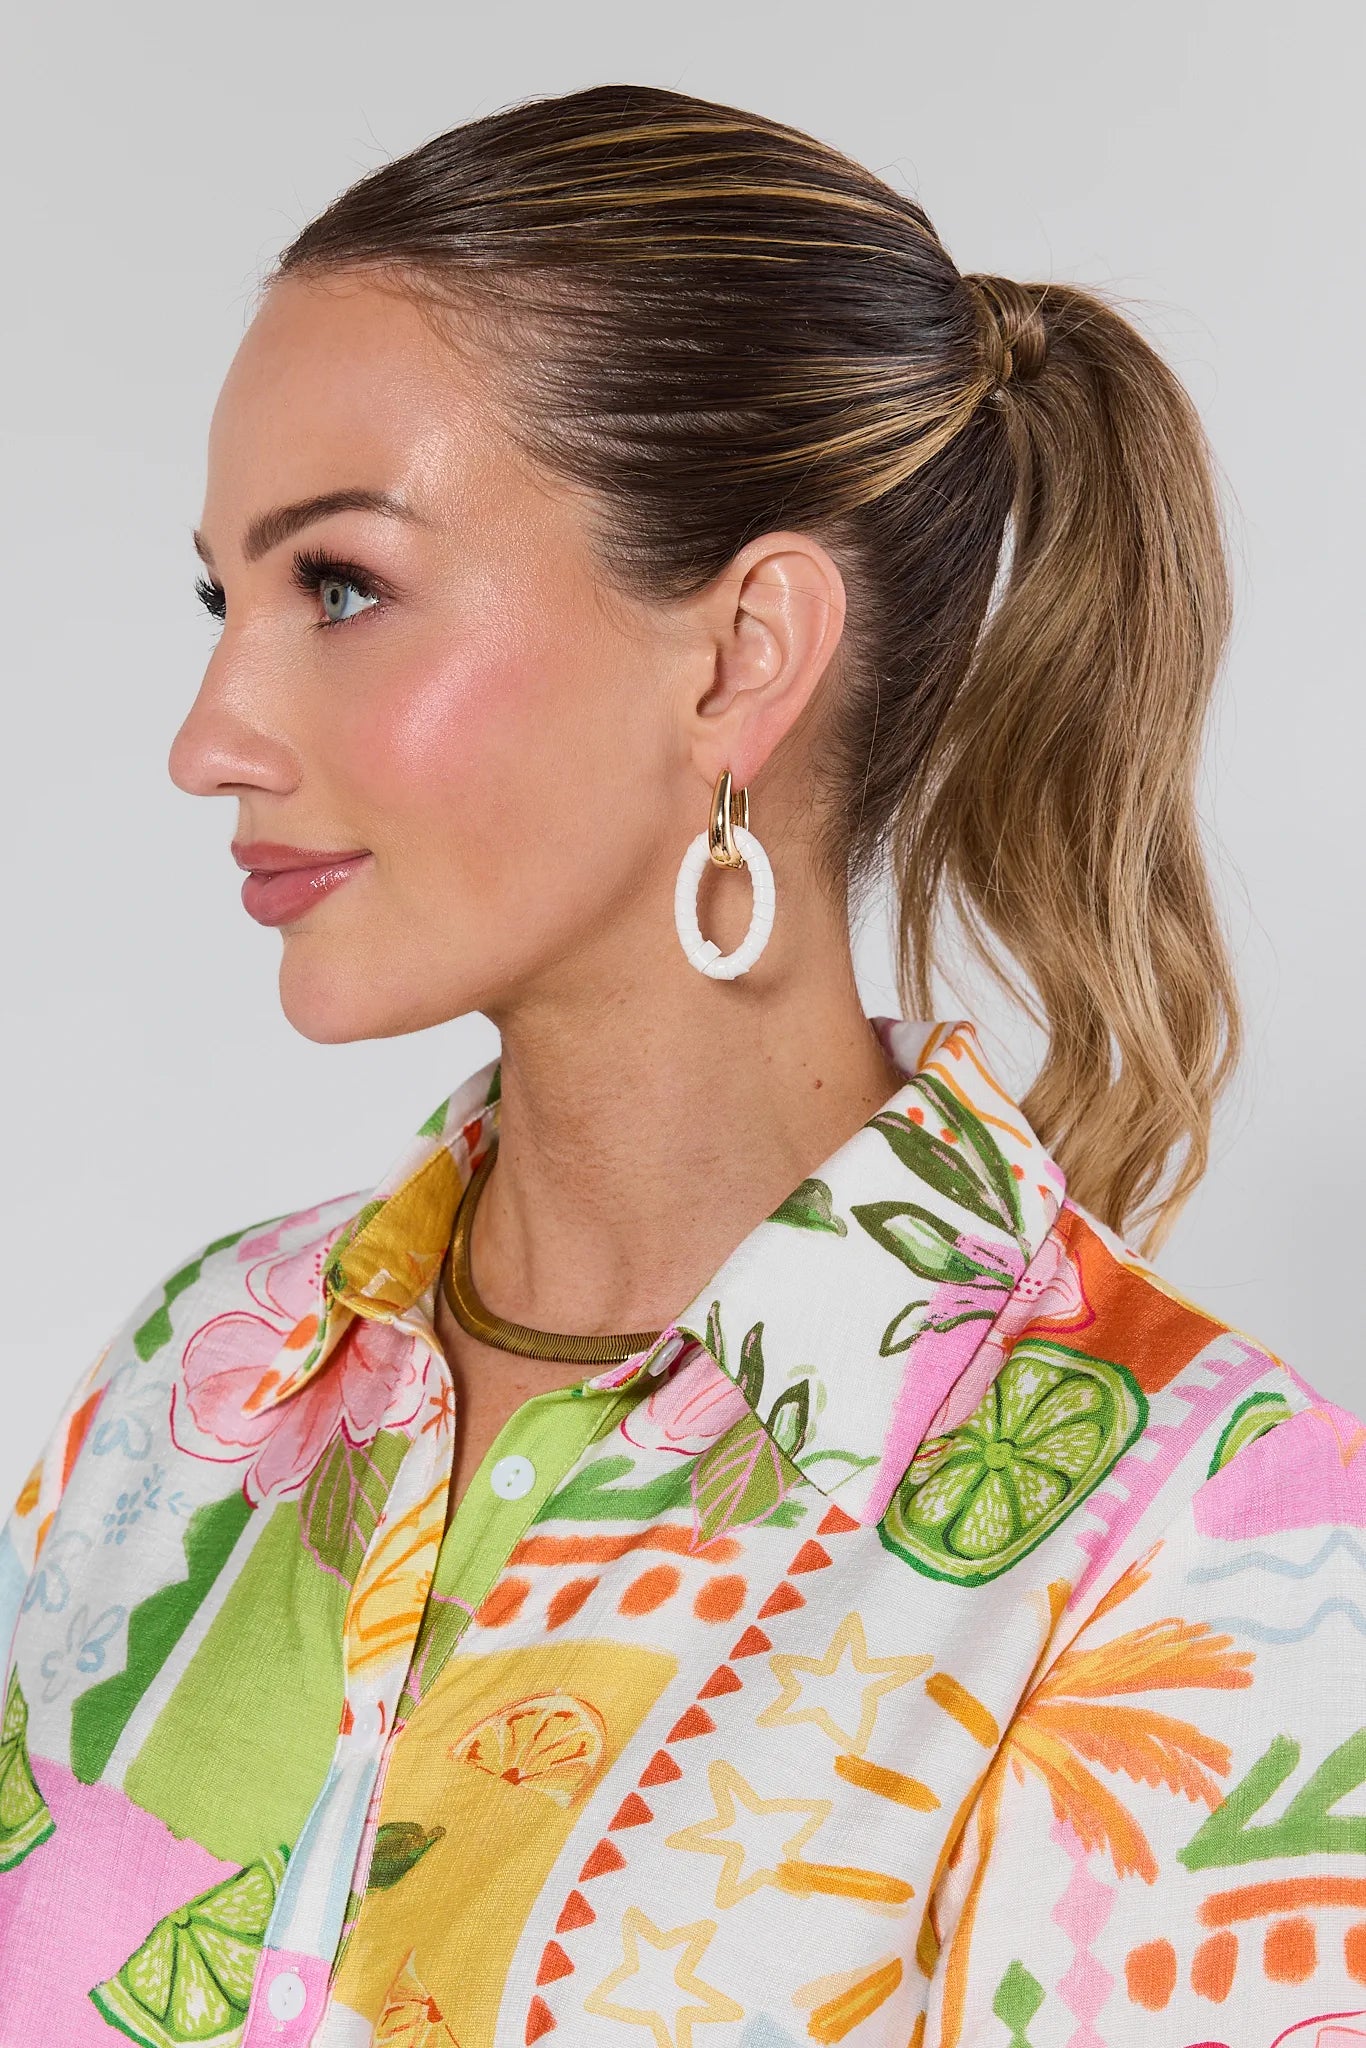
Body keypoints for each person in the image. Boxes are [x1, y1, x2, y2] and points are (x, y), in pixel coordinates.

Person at [0, 82, 1360, 2048]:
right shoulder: (194, 1382)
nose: (211, 733)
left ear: (736, 658)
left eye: (342, 586)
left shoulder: (1202, 1535)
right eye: (228, 597)